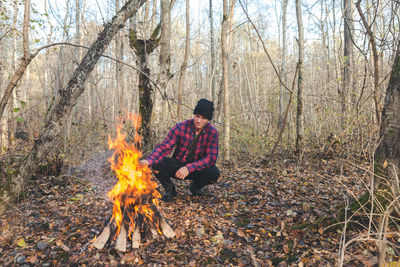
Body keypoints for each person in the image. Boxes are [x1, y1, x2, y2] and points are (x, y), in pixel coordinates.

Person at [140, 99, 220, 202]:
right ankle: (170, 190)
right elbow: (165, 146)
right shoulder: (181, 127)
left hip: (197, 168)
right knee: (157, 162)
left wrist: (189, 168)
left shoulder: (212, 133)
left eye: (203, 118)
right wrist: (149, 160)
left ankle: (195, 187)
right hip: (178, 166)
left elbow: (211, 158)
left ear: (208, 119)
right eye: (197, 116)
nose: (199, 120)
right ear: (194, 115)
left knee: (214, 173)